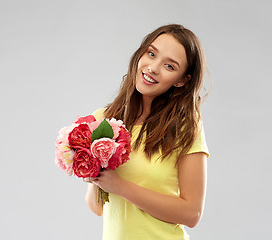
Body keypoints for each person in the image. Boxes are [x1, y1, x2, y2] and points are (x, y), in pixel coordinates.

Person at [84, 24, 210, 240]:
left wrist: (119, 186)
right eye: (151, 54)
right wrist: (93, 172)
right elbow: (98, 207)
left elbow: (191, 213)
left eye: (169, 66)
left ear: (182, 80)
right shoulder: (103, 120)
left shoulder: (185, 126)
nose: (152, 67)